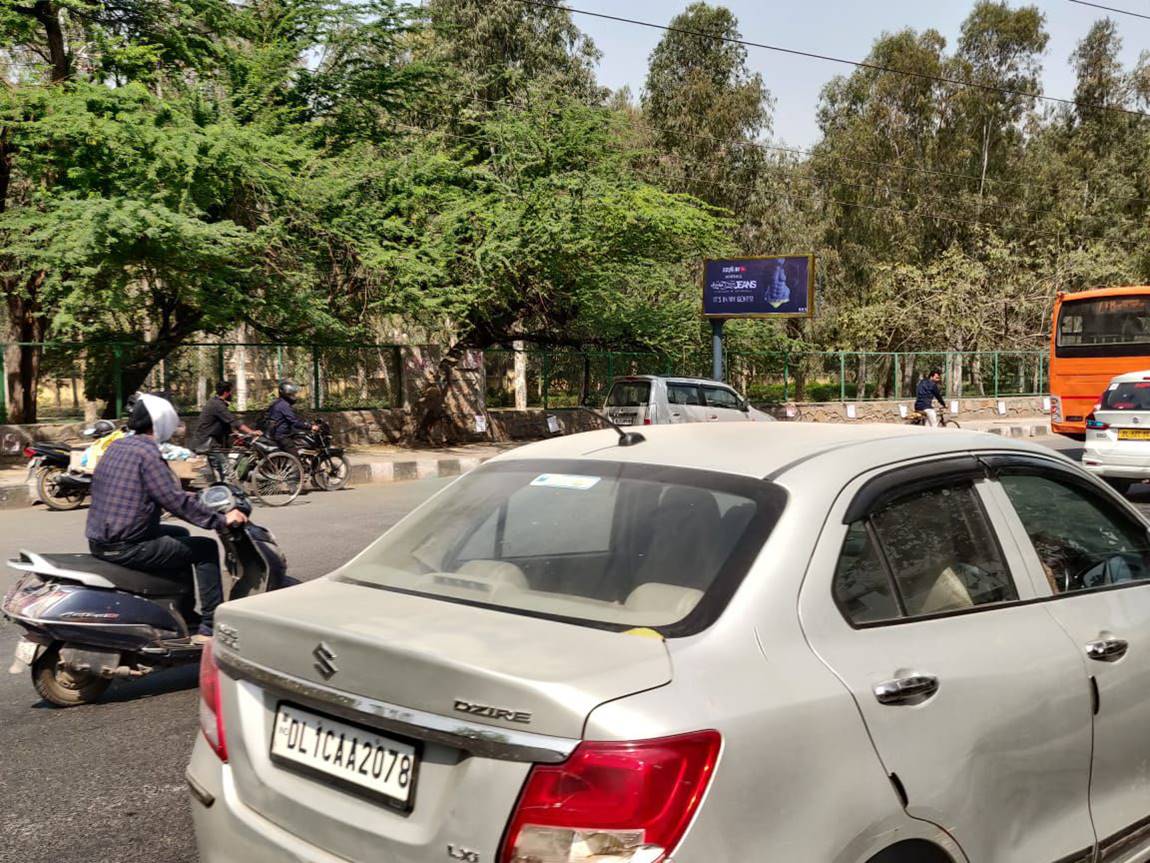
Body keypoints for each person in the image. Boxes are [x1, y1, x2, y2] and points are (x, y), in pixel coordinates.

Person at [85, 394, 247, 643]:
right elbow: (175, 500)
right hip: (127, 544)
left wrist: (193, 501)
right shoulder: (148, 454)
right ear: (162, 422)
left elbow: (165, 494)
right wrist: (220, 519)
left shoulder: (118, 445)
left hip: (103, 538)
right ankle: (209, 626)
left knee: (180, 536)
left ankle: (181, 611)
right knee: (205, 548)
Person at [191, 381, 259, 479]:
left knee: (222, 468)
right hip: (209, 443)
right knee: (226, 470)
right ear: (226, 393)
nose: (231, 394)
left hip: (209, 441)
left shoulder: (215, 402)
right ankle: (223, 488)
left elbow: (224, 423)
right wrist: (251, 432)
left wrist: (235, 434)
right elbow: (234, 421)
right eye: (230, 392)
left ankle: (221, 485)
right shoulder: (218, 405)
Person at [267, 381, 316, 456]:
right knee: (295, 456)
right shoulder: (284, 405)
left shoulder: (278, 403)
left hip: (278, 433)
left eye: (294, 394)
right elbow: (294, 422)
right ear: (286, 394)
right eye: (292, 394)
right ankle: (297, 466)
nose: (294, 396)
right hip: (281, 436)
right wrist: (310, 427)